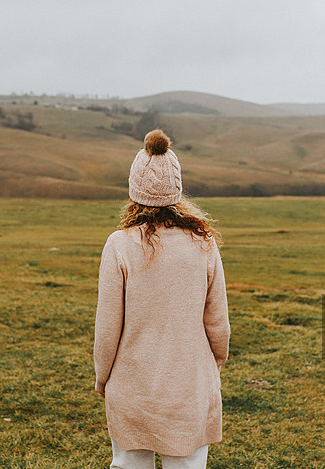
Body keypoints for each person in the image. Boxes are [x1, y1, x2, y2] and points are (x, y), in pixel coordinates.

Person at [93, 129, 230, 469]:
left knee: (129, 463)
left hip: (132, 383)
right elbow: (218, 322)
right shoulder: (204, 243)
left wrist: (102, 376)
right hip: (189, 381)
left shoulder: (119, 244)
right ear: (176, 189)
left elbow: (108, 327)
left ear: (134, 190)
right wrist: (214, 364)